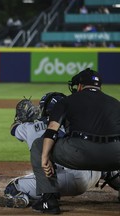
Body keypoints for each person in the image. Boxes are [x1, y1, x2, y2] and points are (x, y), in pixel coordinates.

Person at [30, 68, 120, 214]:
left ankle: (49, 200)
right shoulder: (115, 103)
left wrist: (45, 157)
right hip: (114, 156)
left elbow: (52, 130)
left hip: (79, 153)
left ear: (79, 86)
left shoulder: (67, 101)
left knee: (39, 146)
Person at [0, 92, 102, 208]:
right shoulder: (80, 123)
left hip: (56, 184)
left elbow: (13, 129)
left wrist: (21, 119)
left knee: (13, 187)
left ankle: (24, 199)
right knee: (106, 163)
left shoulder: (31, 127)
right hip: (87, 177)